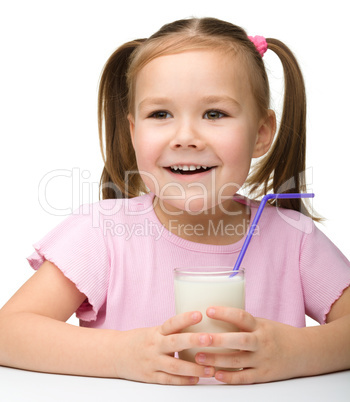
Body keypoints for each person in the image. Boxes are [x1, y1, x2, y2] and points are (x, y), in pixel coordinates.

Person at [0, 17, 349, 386]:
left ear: (261, 133)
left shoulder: (292, 237)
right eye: (160, 114)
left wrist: (296, 351)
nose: (185, 137)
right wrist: (121, 354)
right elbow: (9, 331)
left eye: (215, 113)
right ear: (134, 132)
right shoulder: (102, 233)